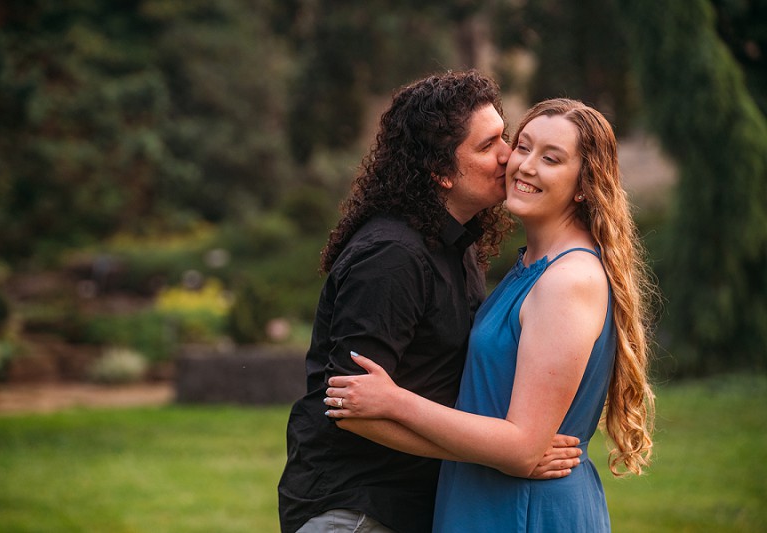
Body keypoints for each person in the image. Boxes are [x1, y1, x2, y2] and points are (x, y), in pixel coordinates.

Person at [325, 98, 658, 532]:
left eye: (551, 158)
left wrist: (396, 401)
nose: (524, 165)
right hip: (483, 497)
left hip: (525, 508)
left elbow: (522, 448)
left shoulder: (567, 280)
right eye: (523, 146)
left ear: (583, 184)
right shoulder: (530, 268)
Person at [278, 73, 583, 533]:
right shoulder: (393, 255)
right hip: (357, 512)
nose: (509, 155)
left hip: (415, 506)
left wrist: (509, 447)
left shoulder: (456, 245)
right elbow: (354, 409)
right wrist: (507, 454)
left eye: (505, 136)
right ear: (441, 171)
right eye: (488, 146)